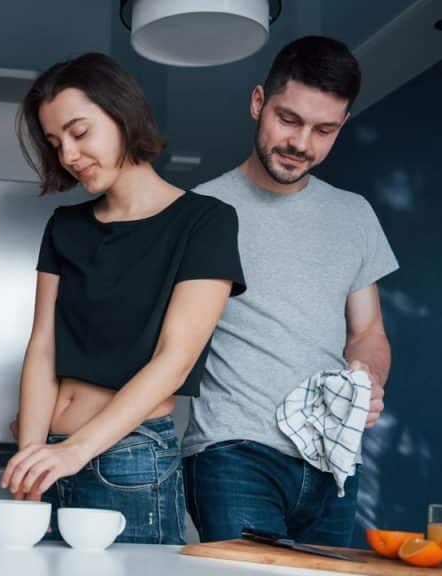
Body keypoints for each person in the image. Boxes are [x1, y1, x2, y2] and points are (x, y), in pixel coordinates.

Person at [0, 52, 246, 545]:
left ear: (122, 114)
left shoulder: (206, 222)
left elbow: (174, 361)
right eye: (55, 142)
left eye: (79, 132)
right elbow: (43, 346)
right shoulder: (65, 227)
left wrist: (77, 451)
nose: (67, 154)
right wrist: (32, 453)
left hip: (128, 459)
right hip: (49, 452)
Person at [181, 36, 399, 546]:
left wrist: (367, 380)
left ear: (341, 126)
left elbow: (367, 330)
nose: (302, 143)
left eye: (324, 130)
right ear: (258, 103)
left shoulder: (355, 215)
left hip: (334, 459)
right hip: (233, 450)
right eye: (289, 120)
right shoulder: (201, 211)